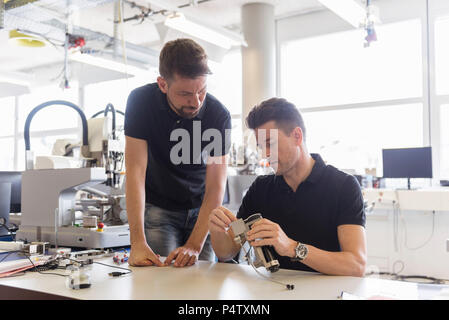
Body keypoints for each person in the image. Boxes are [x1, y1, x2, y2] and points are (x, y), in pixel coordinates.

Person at [208, 97, 367, 276]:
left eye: (270, 143)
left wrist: (292, 248)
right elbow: (228, 250)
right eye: (261, 146)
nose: (265, 154)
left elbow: (356, 265)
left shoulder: (343, 186)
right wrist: (218, 231)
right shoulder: (260, 190)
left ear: (297, 136)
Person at [125, 38, 231, 268]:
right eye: (185, 94)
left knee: (202, 287)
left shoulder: (218, 115)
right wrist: (137, 242)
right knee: (160, 283)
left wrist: (194, 245)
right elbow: (135, 171)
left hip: (202, 210)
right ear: (163, 84)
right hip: (159, 210)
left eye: (202, 90)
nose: (196, 102)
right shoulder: (141, 102)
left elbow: (216, 186)